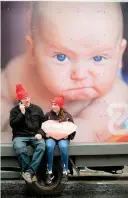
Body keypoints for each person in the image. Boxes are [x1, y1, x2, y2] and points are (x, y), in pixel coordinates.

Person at [2, 2, 128, 143]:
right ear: (32, 51)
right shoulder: (20, 72)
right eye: (61, 57)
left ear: (119, 55)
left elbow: (83, 136)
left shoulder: (115, 98)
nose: (80, 75)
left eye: (98, 58)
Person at [9, 84, 46, 183]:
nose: (27, 100)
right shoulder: (14, 111)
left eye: (27, 98)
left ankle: (28, 172)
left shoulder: (37, 109)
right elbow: (12, 124)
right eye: (24, 99)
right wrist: (22, 113)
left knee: (42, 146)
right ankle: (29, 172)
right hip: (20, 136)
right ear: (20, 101)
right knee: (20, 149)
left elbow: (44, 124)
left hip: (35, 135)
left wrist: (40, 133)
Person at [44, 96, 76, 184]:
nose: (53, 106)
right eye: (52, 104)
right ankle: (49, 172)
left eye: (56, 104)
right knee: (49, 146)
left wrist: (68, 135)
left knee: (63, 147)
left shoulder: (67, 116)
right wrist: (45, 134)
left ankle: (65, 172)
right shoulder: (48, 115)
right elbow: (42, 127)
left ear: (60, 106)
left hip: (63, 138)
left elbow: (72, 128)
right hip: (51, 137)